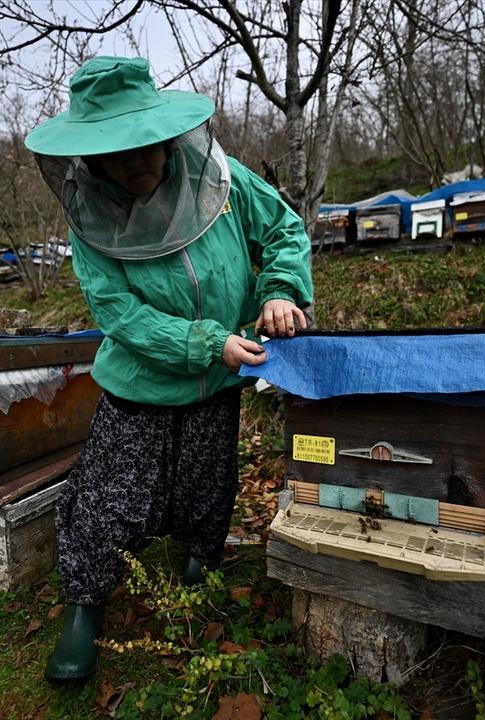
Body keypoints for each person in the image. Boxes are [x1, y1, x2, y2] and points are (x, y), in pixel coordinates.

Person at [24, 56, 313, 683]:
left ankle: (199, 566)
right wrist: (211, 342)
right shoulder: (90, 222)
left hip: (218, 382)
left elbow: (286, 232)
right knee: (109, 499)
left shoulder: (224, 180)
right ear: (93, 158)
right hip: (142, 387)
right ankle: (84, 605)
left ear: (167, 135)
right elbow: (120, 314)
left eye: (147, 146)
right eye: (120, 152)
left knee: (207, 487)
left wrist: (280, 290)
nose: (138, 163)